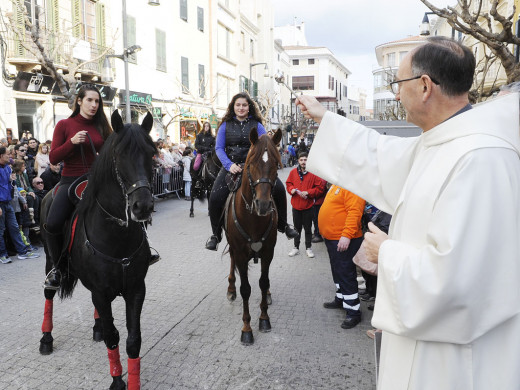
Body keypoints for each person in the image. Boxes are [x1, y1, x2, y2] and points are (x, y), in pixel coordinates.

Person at [297, 36, 520, 390]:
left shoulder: (481, 157)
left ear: (425, 86)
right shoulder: (444, 139)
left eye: (397, 85)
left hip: (452, 365)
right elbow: (380, 153)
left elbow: (459, 282)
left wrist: (385, 252)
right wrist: (326, 118)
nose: (396, 95)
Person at [205, 92, 298, 250]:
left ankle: (284, 225)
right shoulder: (225, 125)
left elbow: (266, 146)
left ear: (249, 108)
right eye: (238, 105)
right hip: (231, 166)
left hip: (254, 166)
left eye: (244, 105)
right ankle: (215, 235)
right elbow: (219, 148)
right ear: (233, 107)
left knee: (280, 189)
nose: (241, 108)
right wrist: (229, 165)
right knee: (214, 196)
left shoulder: (257, 125)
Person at [43, 84, 112, 290]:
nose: (93, 105)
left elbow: (112, 151)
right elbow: (54, 157)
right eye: (89, 100)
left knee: (128, 207)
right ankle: (57, 268)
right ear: (79, 101)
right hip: (70, 181)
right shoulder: (64, 125)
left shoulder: (102, 126)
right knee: (53, 223)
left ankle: (142, 250)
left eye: (97, 101)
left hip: (96, 180)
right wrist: (72, 142)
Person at [319, 184, 365, 329]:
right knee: (337, 270)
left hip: (343, 240)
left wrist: (346, 235)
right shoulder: (337, 184)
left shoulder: (353, 186)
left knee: (346, 273)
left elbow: (355, 213)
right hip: (332, 238)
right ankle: (341, 298)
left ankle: (353, 312)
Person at [0, 147, 40, 264]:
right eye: (7, 154)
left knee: (15, 228)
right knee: (1, 230)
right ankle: (2, 254)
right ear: (1, 156)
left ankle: (22, 252)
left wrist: (11, 180)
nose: (10, 156)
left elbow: (10, 183)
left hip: (8, 203)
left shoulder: (7, 167)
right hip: (1, 204)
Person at [285, 152, 324, 258]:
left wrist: (308, 192)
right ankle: (296, 248)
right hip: (296, 206)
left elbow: (320, 189)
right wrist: (291, 190)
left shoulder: (313, 174)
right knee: (297, 228)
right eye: (301, 160)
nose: (303, 162)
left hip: (308, 206)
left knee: (307, 228)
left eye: (305, 160)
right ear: (298, 161)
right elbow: (288, 184)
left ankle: (308, 248)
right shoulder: (293, 172)